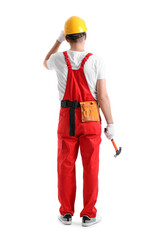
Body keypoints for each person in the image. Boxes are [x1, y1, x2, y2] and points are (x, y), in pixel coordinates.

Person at [43, 16, 114, 227]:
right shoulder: (96, 60)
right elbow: (102, 96)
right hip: (90, 117)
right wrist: (110, 124)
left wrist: (57, 41)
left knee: (65, 165)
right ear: (85, 36)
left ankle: (65, 213)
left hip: (67, 118)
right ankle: (89, 215)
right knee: (91, 165)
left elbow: (45, 62)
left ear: (67, 38)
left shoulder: (58, 59)